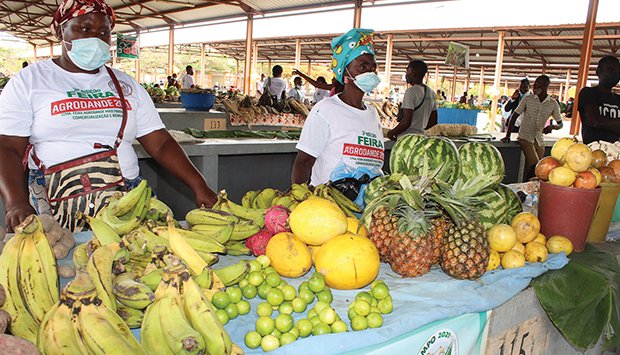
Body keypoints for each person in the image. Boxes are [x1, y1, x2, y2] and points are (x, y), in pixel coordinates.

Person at [0, 0, 216, 231]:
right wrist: (16, 202)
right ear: (61, 30)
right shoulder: (30, 81)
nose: (95, 38)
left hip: (125, 200)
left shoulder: (126, 84)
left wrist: (198, 185)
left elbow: (160, 143)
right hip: (57, 201)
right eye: (84, 29)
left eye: (103, 32)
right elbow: (8, 147)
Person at [292, 28, 384, 186]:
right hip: (329, 204)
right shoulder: (325, 110)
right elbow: (304, 161)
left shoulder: (373, 114)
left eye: (373, 67)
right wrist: (300, 197)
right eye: (363, 66)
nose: (370, 71)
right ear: (345, 72)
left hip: (365, 207)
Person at [501, 75, 563, 180]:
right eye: (534, 84)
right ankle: (528, 187)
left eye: (538, 84)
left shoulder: (552, 104)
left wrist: (552, 127)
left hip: (539, 139)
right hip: (525, 136)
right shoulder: (528, 99)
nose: (534, 87)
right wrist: (508, 135)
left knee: (536, 170)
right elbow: (514, 115)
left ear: (546, 85)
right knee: (537, 166)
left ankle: (527, 187)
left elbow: (560, 124)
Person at [386, 59, 438, 139]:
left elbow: (406, 122)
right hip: (421, 137)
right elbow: (434, 121)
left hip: (407, 137)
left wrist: (391, 133)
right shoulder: (431, 93)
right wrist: (420, 129)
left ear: (412, 72)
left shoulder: (411, 92)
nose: (406, 74)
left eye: (407, 70)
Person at [578, 56, 620, 144]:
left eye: (618, 71)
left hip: (616, 151)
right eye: (610, 69)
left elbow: (597, 121)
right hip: (593, 150)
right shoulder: (588, 93)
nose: (615, 74)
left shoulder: (618, 99)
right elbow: (594, 121)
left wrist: (602, 122)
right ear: (598, 72)